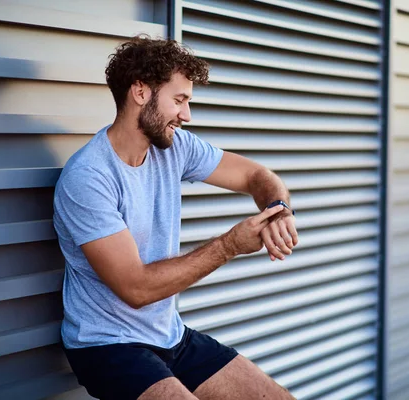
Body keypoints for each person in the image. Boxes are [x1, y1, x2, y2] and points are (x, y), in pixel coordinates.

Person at [53, 34, 298, 400]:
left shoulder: (174, 147)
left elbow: (256, 176)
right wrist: (230, 245)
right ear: (140, 92)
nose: (186, 115)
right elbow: (136, 289)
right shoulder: (88, 178)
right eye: (179, 100)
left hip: (169, 335)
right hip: (107, 346)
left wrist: (278, 210)